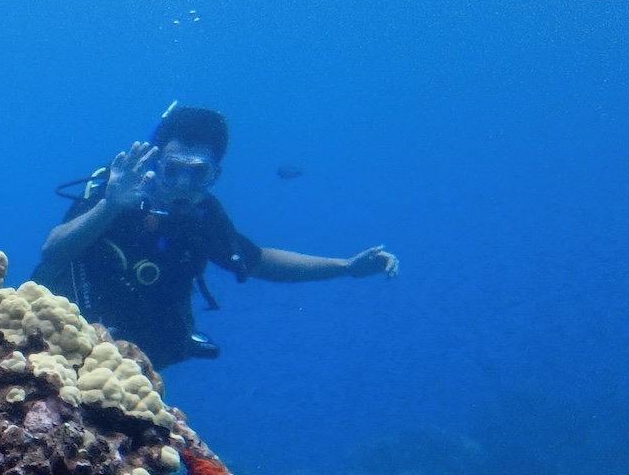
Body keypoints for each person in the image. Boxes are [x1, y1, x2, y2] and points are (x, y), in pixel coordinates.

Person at [30, 106, 399, 368]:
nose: (182, 185)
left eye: (198, 173)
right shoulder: (118, 188)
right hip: (55, 335)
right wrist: (109, 206)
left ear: (215, 176)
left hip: (133, 362)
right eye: (173, 169)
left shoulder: (203, 216)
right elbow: (53, 251)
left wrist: (345, 266)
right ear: (155, 162)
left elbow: (257, 261)